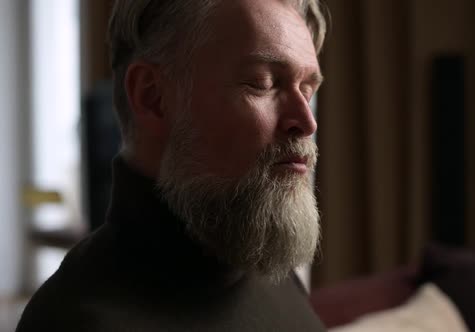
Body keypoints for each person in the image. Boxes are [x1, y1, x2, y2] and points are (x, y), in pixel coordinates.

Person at [16, 0, 328, 330]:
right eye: (262, 82)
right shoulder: (73, 321)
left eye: (306, 89)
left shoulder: (264, 270)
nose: (307, 122)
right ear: (152, 97)